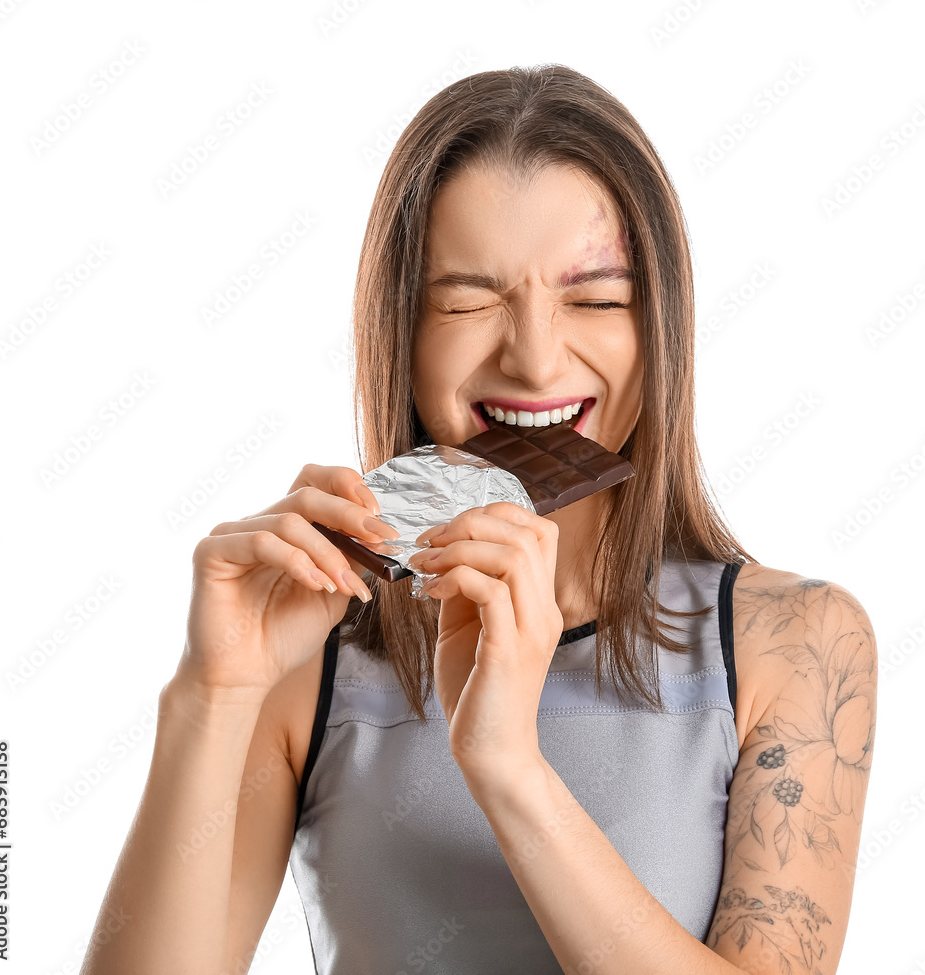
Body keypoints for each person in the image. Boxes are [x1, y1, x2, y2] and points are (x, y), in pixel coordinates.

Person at [80, 64, 877, 975]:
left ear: (660, 331)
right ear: (403, 337)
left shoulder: (796, 642)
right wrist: (210, 696)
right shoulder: (305, 654)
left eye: (596, 300)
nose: (536, 362)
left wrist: (507, 765)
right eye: (467, 301)